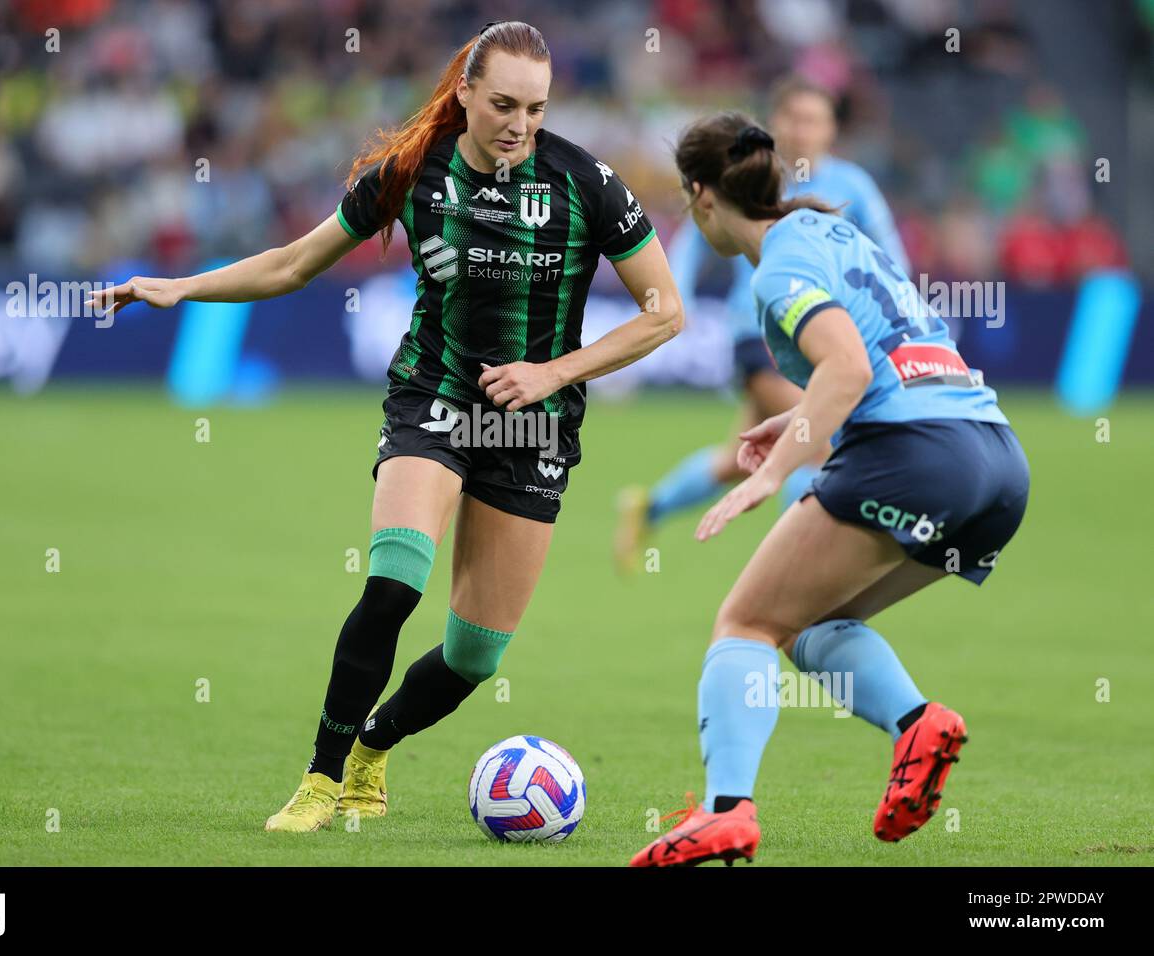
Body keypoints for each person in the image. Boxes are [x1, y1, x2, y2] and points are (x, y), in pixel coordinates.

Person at [89, 21, 682, 833]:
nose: (519, 124)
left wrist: (552, 373)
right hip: (432, 402)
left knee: (477, 655)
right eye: (502, 103)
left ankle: (375, 743)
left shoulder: (587, 183)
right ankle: (321, 780)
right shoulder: (411, 173)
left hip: (531, 428)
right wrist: (179, 287)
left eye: (536, 109)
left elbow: (664, 312)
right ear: (465, 92)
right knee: (394, 582)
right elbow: (294, 263)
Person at [629, 112, 1028, 867]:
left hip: (917, 454)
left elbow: (845, 368)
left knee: (746, 624)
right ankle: (916, 722)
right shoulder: (836, 230)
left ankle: (726, 813)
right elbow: (887, 355)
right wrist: (796, 423)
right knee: (811, 626)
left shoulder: (779, 267)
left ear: (701, 196)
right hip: (996, 460)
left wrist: (772, 477)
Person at [614, 76, 911, 573]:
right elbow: (692, 236)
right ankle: (801, 569)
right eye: (792, 118)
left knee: (742, 456)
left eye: (812, 120)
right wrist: (673, 301)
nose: (801, 130)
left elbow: (887, 251)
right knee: (818, 443)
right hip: (761, 334)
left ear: (830, 128)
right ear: (774, 125)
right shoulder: (753, 176)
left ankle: (648, 507)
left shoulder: (852, 185)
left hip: (823, 336)